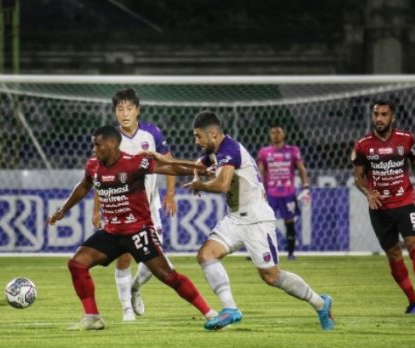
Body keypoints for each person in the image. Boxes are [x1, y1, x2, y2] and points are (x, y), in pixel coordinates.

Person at [48, 125, 217, 331]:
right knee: (77, 264)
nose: (94, 149)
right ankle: (92, 317)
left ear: (111, 145)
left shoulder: (134, 162)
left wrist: (199, 169)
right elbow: (84, 185)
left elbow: (169, 167)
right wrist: (64, 210)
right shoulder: (93, 165)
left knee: (168, 276)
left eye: (97, 145)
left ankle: (210, 313)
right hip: (112, 232)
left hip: (138, 231)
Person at [177, 111, 334, 331]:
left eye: (198, 136)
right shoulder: (214, 150)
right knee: (206, 255)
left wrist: (199, 185)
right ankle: (230, 309)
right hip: (235, 218)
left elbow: (222, 185)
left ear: (213, 134)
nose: (196, 142)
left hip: (256, 219)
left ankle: (320, 303)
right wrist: (196, 175)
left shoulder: (229, 149)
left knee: (271, 276)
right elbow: (199, 164)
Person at [92, 88, 177, 321]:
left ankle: (135, 289)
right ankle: (126, 309)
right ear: (115, 112)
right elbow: (99, 175)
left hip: (149, 208)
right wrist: (96, 207)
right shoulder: (110, 140)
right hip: (120, 207)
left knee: (152, 260)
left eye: (129, 108)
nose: (125, 113)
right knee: (124, 256)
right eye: (120, 109)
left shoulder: (152, 134)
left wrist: (170, 193)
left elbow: (169, 163)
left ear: (137, 110)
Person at [351, 100, 415, 314]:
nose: (379, 119)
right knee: (394, 255)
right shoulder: (363, 144)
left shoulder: (407, 139)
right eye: (376, 114)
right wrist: (369, 192)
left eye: (384, 114)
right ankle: (413, 301)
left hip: (405, 202)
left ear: (393, 117)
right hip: (380, 208)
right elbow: (358, 178)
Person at [257, 124, 310, 260]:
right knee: (265, 222)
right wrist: (259, 190)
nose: (276, 135)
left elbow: (302, 169)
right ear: (269, 135)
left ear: (284, 134)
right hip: (271, 194)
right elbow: (260, 172)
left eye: (278, 132)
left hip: (288, 194)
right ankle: (262, 252)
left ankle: (291, 253)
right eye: (273, 132)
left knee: (289, 222)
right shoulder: (264, 152)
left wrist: (305, 188)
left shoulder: (292, 151)